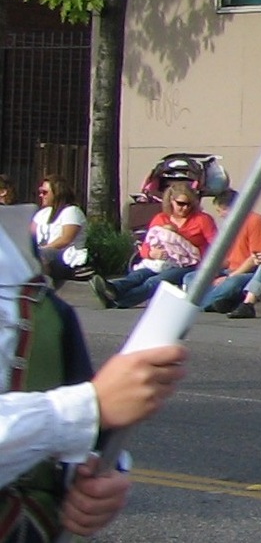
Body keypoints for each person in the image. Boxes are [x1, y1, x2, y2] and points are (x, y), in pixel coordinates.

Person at [0, 211, 190, 541]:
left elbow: (88, 442)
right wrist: (88, 406)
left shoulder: (38, 301)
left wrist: (95, 480)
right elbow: (81, 409)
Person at [95, 181, 215, 308]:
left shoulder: (202, 220)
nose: (185, 208)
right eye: (181, 204)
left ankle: (119, 301)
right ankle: (114, 288)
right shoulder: (161, 219)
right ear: (171, 201)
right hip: (160, 261)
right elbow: (147, 244)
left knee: (155, 281)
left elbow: (215, 244)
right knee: (140, 275)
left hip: (187, 263)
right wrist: (152, 253)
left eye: (189, 204)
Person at [195, 188, 261, 313]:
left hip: (249, 273)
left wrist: (229, 277)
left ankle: (198, 305)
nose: (220, 215)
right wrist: (212, 271)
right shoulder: (230, 226)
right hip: (230, 270)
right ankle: (217, 302)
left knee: (231, 283)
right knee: (192, 276)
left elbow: (256, 259)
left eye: (221, 211)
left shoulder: (255, 221)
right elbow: (228, 258)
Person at [29, 178, 86, 288]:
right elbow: (30, 236)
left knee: (43, 254)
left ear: (58, 193)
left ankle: (44, 287)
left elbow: (65, 240)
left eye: (44, 192)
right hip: (45, 255)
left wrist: (41, 250)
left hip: (65, 257)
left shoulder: (71, 211)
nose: (41, 195)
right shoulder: (41, 214)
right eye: (40, 192)